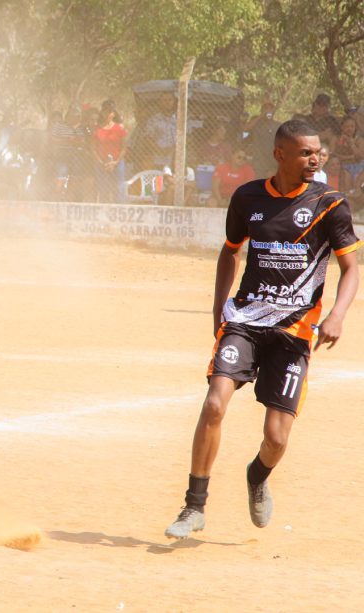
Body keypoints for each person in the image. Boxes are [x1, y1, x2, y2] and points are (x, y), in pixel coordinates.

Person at [164, 119, 361, 540]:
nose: (315, 159)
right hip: (245, 321)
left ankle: (257, 475)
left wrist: (338, 315)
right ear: (279, 155)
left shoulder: (329, 204)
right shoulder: (248, 197)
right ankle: (194, 506)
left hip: (295, 331)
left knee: (276, 439)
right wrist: (219, 309)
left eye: (318, 152)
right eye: (306, 153)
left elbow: (350, 268)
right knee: (214, 404)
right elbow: (229, 252)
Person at [92, 100, 128, 203]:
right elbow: (93, 148)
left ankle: (120, 208)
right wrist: (101, 162)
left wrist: (115, 162)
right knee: (103, 188)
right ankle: (104, 207)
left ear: (113, 114)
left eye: (110, 111)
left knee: (119, 187)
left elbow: (124, 147)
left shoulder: (119, 128)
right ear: (102, 112)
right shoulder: (97, 129)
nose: (108, 114)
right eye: (105, 111)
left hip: (117, 162)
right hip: (102, 162)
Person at [332, 115, 364, 193]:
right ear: (342, 127)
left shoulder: (360, 140)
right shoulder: (336, 138)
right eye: (347, 126)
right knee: (346, 176)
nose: (349, 129)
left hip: (359, 166)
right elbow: (332, 155)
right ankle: (347, 195)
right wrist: (351, 157)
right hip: (343, 166)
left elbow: (360, 157)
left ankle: (356, 194)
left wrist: (351, 144)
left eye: (352, 126)